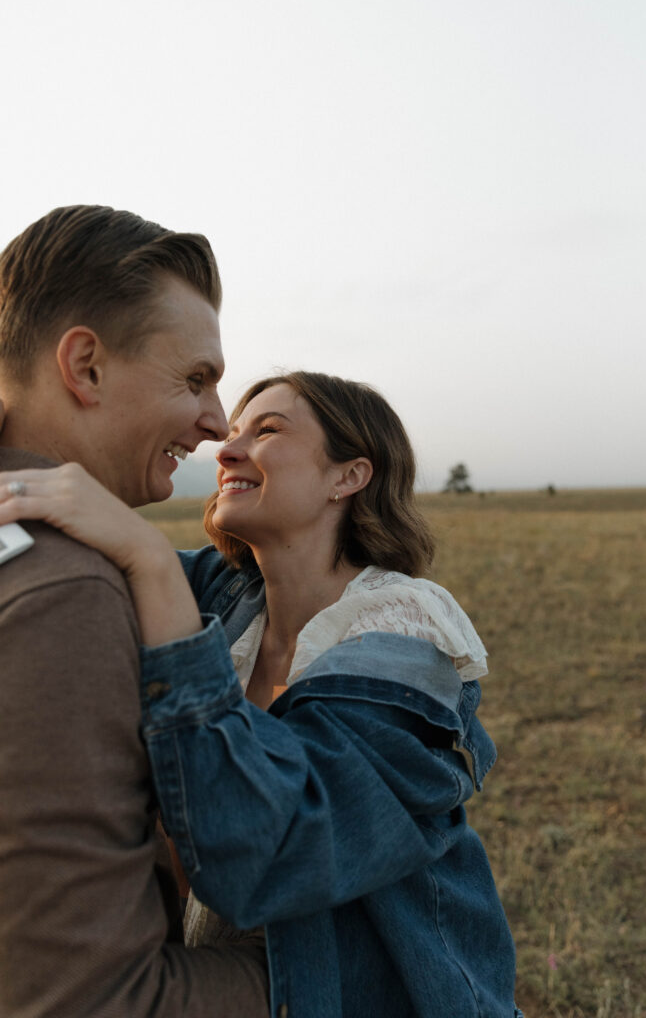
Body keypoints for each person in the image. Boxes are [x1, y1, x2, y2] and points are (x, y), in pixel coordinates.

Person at [1, 370, 522, 1018]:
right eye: (235, 431)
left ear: (348, 476)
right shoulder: (226, 595)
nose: (226, 449)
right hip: (244, 971)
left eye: (268, 430)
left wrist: (149, 558)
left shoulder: (405, 640)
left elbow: (270, 854)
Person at [0, 205, 272, 1017]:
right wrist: (323, 978)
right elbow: (86, 1001)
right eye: (194, 379)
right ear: (85, 367)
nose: (218, 423)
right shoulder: (63, 592)